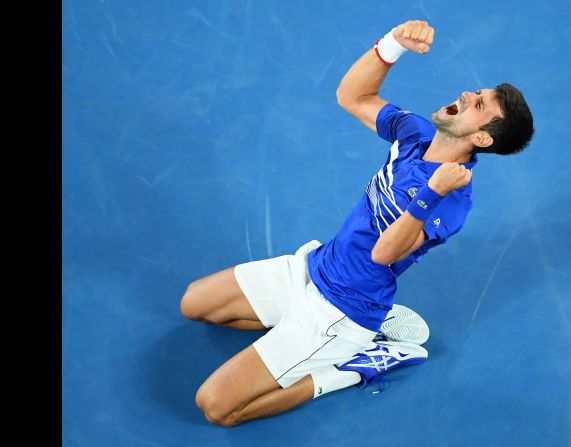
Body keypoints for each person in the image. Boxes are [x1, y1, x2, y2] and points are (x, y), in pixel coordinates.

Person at [179, 19, 535, 427]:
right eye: (478, 92)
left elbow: (384, 252)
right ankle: (305, 336)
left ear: (483, 138)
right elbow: (352, 96)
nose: (468, 93)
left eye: (479, 105)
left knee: (216, 406)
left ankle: (348, 366)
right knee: (194, 303)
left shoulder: (452, 201)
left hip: (341, 311)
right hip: (315, 268)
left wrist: (430, 192)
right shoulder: (415, 135)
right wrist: (392, 45)